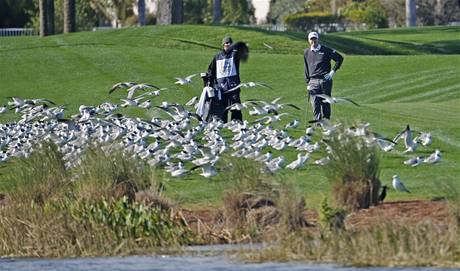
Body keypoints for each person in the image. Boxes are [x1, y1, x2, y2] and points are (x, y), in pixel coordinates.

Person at [206, 36, 248, 123]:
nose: (227, 44)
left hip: (234, 86)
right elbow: (211, 70)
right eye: (226, 43)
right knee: (222, 107)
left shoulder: (235, 55)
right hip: (221, 87)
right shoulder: (217, 57)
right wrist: (210, 82)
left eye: (229, 43)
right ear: (223, 44)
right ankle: (222, 124)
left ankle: (236, 123)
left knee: (235, 106)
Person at [304, 31, 344, 121]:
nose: (313, 41)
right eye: (311, 39)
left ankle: (326, 122)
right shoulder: (306, 52)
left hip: (325, 80)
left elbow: (339, 58)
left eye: (315, 38)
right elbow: (306, 67)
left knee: (326, 102)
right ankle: (318, 123)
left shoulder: (326, 50)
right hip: (313, 81)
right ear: (308, 40)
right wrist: (308, 82)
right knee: (315, 103)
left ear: (318, 39)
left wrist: (332, 72)